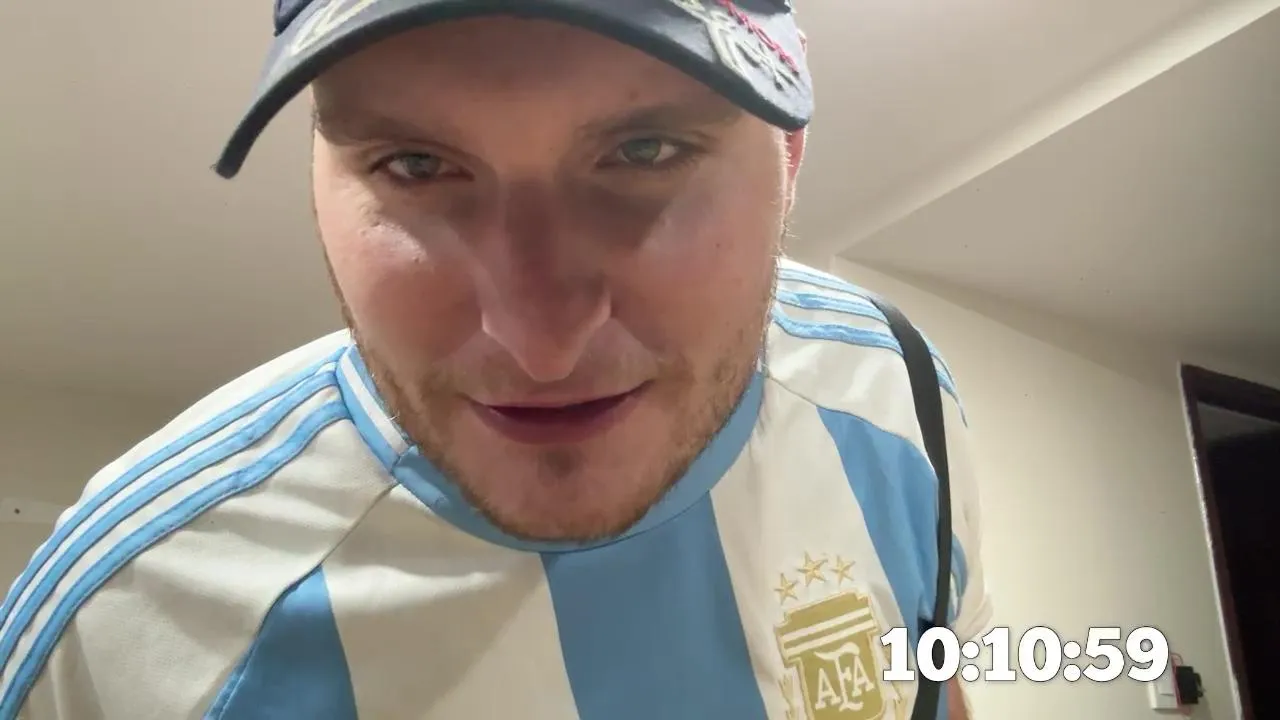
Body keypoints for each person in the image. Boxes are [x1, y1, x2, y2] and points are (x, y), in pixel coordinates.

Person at [0, 0, 990, 717]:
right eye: (417, 164)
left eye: (645, 151)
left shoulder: (895, 395)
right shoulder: (122, 629)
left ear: (789, 156)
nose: (539, 343)